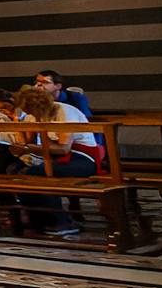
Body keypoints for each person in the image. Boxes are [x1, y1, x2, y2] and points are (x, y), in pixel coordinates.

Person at [7, 84, 102, 238]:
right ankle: (40, 219)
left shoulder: (64, 111)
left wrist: (29, 148)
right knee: (16, 171)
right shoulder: (33, 116)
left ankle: (62, 221)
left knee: (36, 173)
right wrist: (19, 128)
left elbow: (64, 148)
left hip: (81, 157)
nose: (29, 114)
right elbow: (28, 142)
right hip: (51, 157)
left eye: (30, 111)